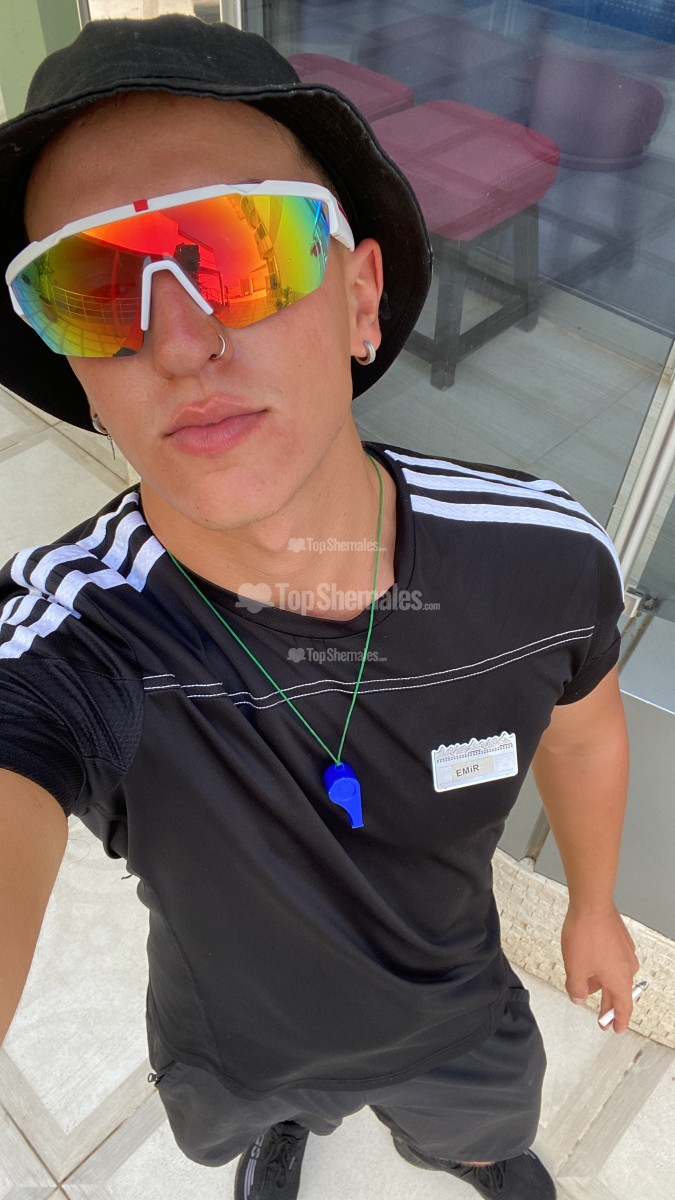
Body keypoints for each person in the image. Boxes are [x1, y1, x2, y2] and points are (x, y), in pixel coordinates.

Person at [0, 15, 639, 1200]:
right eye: (94, 290)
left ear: (360, 298)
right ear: (77, 371)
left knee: (484, 1132)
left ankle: (470, 1152)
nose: (181, 342)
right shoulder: (73, 635)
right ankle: (288, 1129)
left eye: (245, 251)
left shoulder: (539, 563)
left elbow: (589, 732)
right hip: (240, 1037)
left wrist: (593, 908)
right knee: (272, 1108)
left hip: (454, 1010)